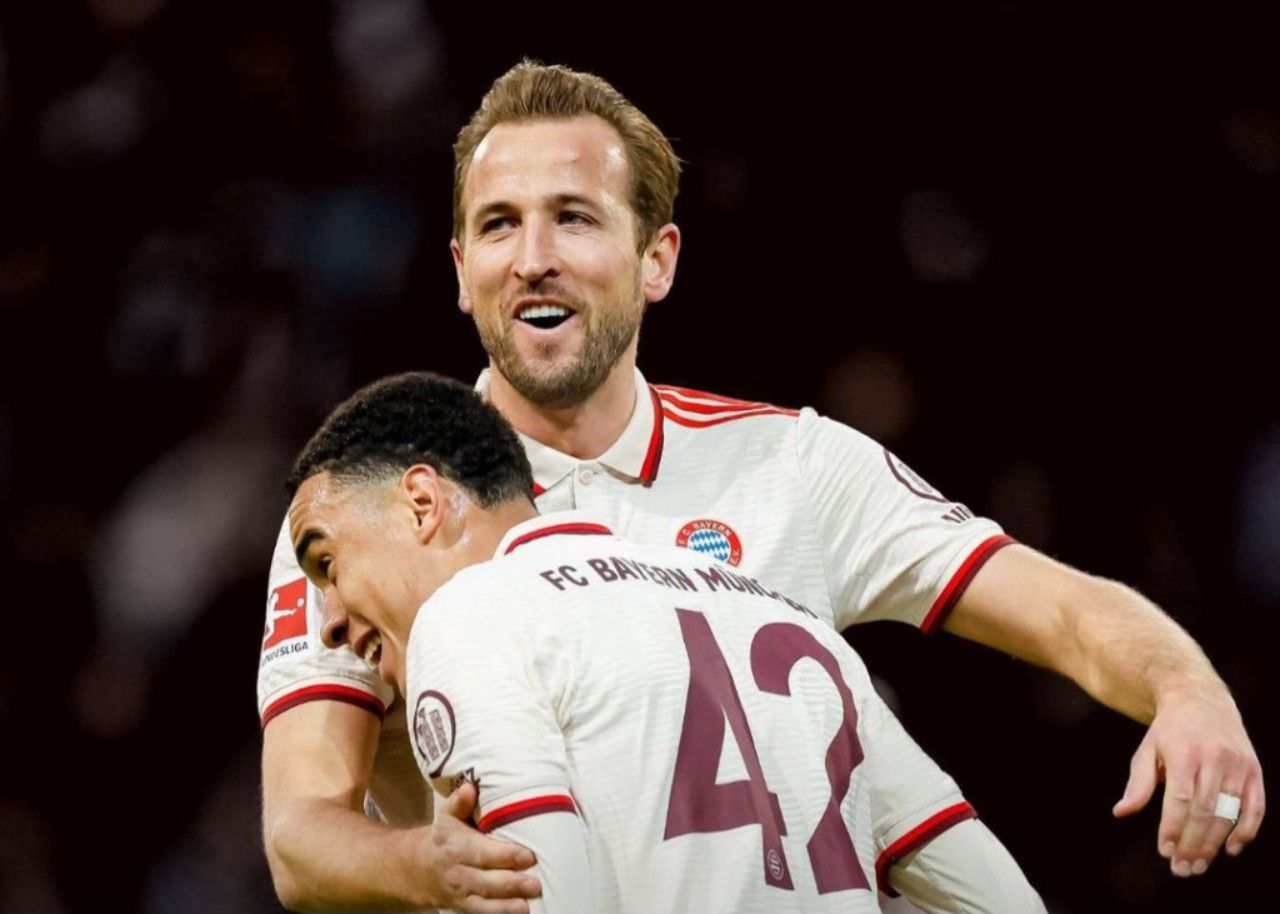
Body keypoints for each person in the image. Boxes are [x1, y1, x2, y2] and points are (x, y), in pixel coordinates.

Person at [257, 61, 1264, 912]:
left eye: (573, 218)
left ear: (656, 259)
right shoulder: (368, 508)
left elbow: (1059, 607)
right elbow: (302, 832)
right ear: (458, 266)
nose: (533, 260)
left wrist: (1186, 690)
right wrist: (421, 864)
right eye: (497, 225)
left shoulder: (791, 467)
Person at [285, 371, 1046, 913]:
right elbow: (998, 897)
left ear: (422, 503)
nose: (329, 618)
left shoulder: (469, 618)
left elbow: (544, 897)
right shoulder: (773, 610)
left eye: (327, 561)